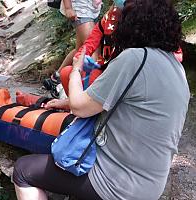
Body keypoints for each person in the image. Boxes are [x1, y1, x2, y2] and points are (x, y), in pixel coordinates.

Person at [12, 0, 190, 199]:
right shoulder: (177, 70)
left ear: (132, 26)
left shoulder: (135, 59)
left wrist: (76, 72)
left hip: (117, 184)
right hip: (151, 185)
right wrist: (66, 102)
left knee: (23, 170)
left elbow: (80, 108)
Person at [43, 0, 102, 98]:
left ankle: (56, 78)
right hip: (81, 9)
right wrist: (68, 8)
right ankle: (90, 93)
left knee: (80, 49)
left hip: (91, 8)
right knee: (93, 48)